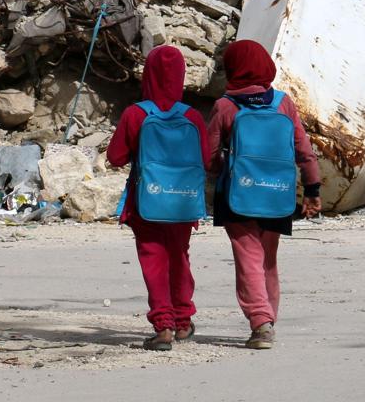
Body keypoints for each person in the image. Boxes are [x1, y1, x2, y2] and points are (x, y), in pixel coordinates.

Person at [208, 39, 321, 350]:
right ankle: (268, 317)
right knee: (268, 259)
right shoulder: (283, 103)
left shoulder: (225, 106)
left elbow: (210, 156)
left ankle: (261, 322)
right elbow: (303, 150)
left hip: (237, 195)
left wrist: (222, 170)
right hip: (278, 195)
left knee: (248, 258)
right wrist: (312, 189)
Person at [107, 45, 211, 351]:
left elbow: (115, 157)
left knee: (153, 260)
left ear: (148, 74)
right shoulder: (191, 116)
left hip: (147, 202)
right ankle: (183, 321)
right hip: (183, 201)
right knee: (180, 257)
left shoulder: (135, 114)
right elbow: (204, 159)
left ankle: (163, 325)